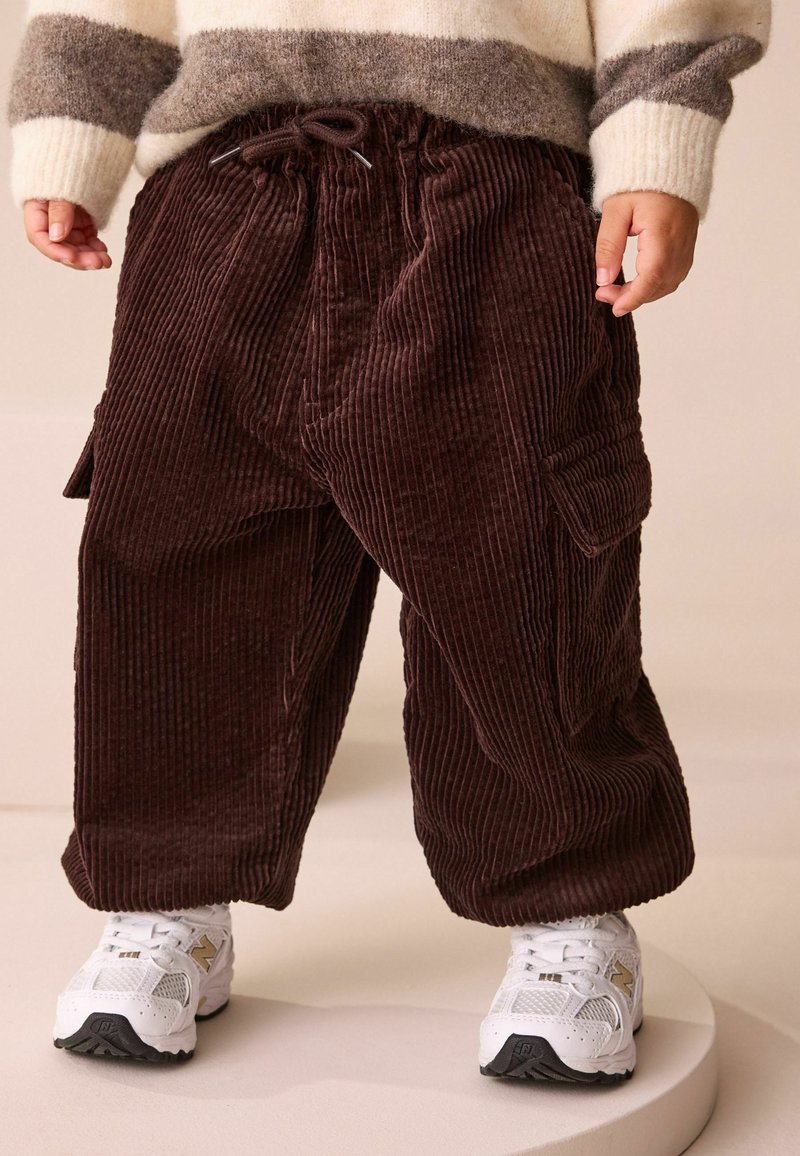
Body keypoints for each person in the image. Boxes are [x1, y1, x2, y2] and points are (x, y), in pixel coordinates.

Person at [6, 1, 770, 1082]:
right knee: (183, 549)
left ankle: (569, 910)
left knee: (516, 556)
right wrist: (72, 128)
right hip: (228, 177)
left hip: (492, 180)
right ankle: (168, 899)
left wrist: (657, 144)